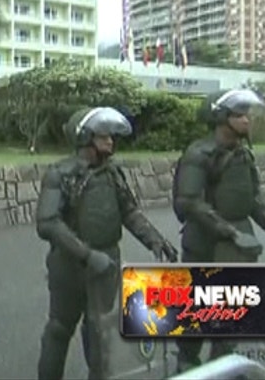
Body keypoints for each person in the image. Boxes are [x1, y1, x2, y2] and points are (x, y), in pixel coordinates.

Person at [36, 106, 178, 380]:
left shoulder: (112, 174)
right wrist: (88, 256)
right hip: (69, 264)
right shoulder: (61, 174)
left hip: (107, 264)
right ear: (85, 137)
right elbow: (48, 223)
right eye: (103, 136)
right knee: (59, 328)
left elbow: (129, 212)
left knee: (100, 331)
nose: (110, 141)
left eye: (111, 136)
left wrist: (155, 240)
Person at [173, 89, 265, 373]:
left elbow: (253, 198)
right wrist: (227, 230)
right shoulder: (198, 154)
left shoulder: (243, 154)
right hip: (204, 242)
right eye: (239, 115)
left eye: (246, 114)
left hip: (238, 245)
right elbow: (189, 201)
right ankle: (186, 368)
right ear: (221, 118)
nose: (246, 120)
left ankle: (222, 368)